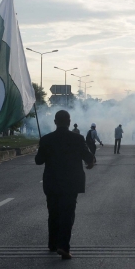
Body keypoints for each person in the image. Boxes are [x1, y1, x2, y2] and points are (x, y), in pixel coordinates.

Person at [35, 110, 94, 260]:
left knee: (53, 213)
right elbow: (88, 157)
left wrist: (42, 147)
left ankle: (53, 244)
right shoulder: (78, 138)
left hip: (52, 182)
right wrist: (90, 163)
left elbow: (38, 160)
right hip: (70, 183)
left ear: (55, 122)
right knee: (67, 214)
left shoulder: (46, 139)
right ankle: (64, 247)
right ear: (69, 122)